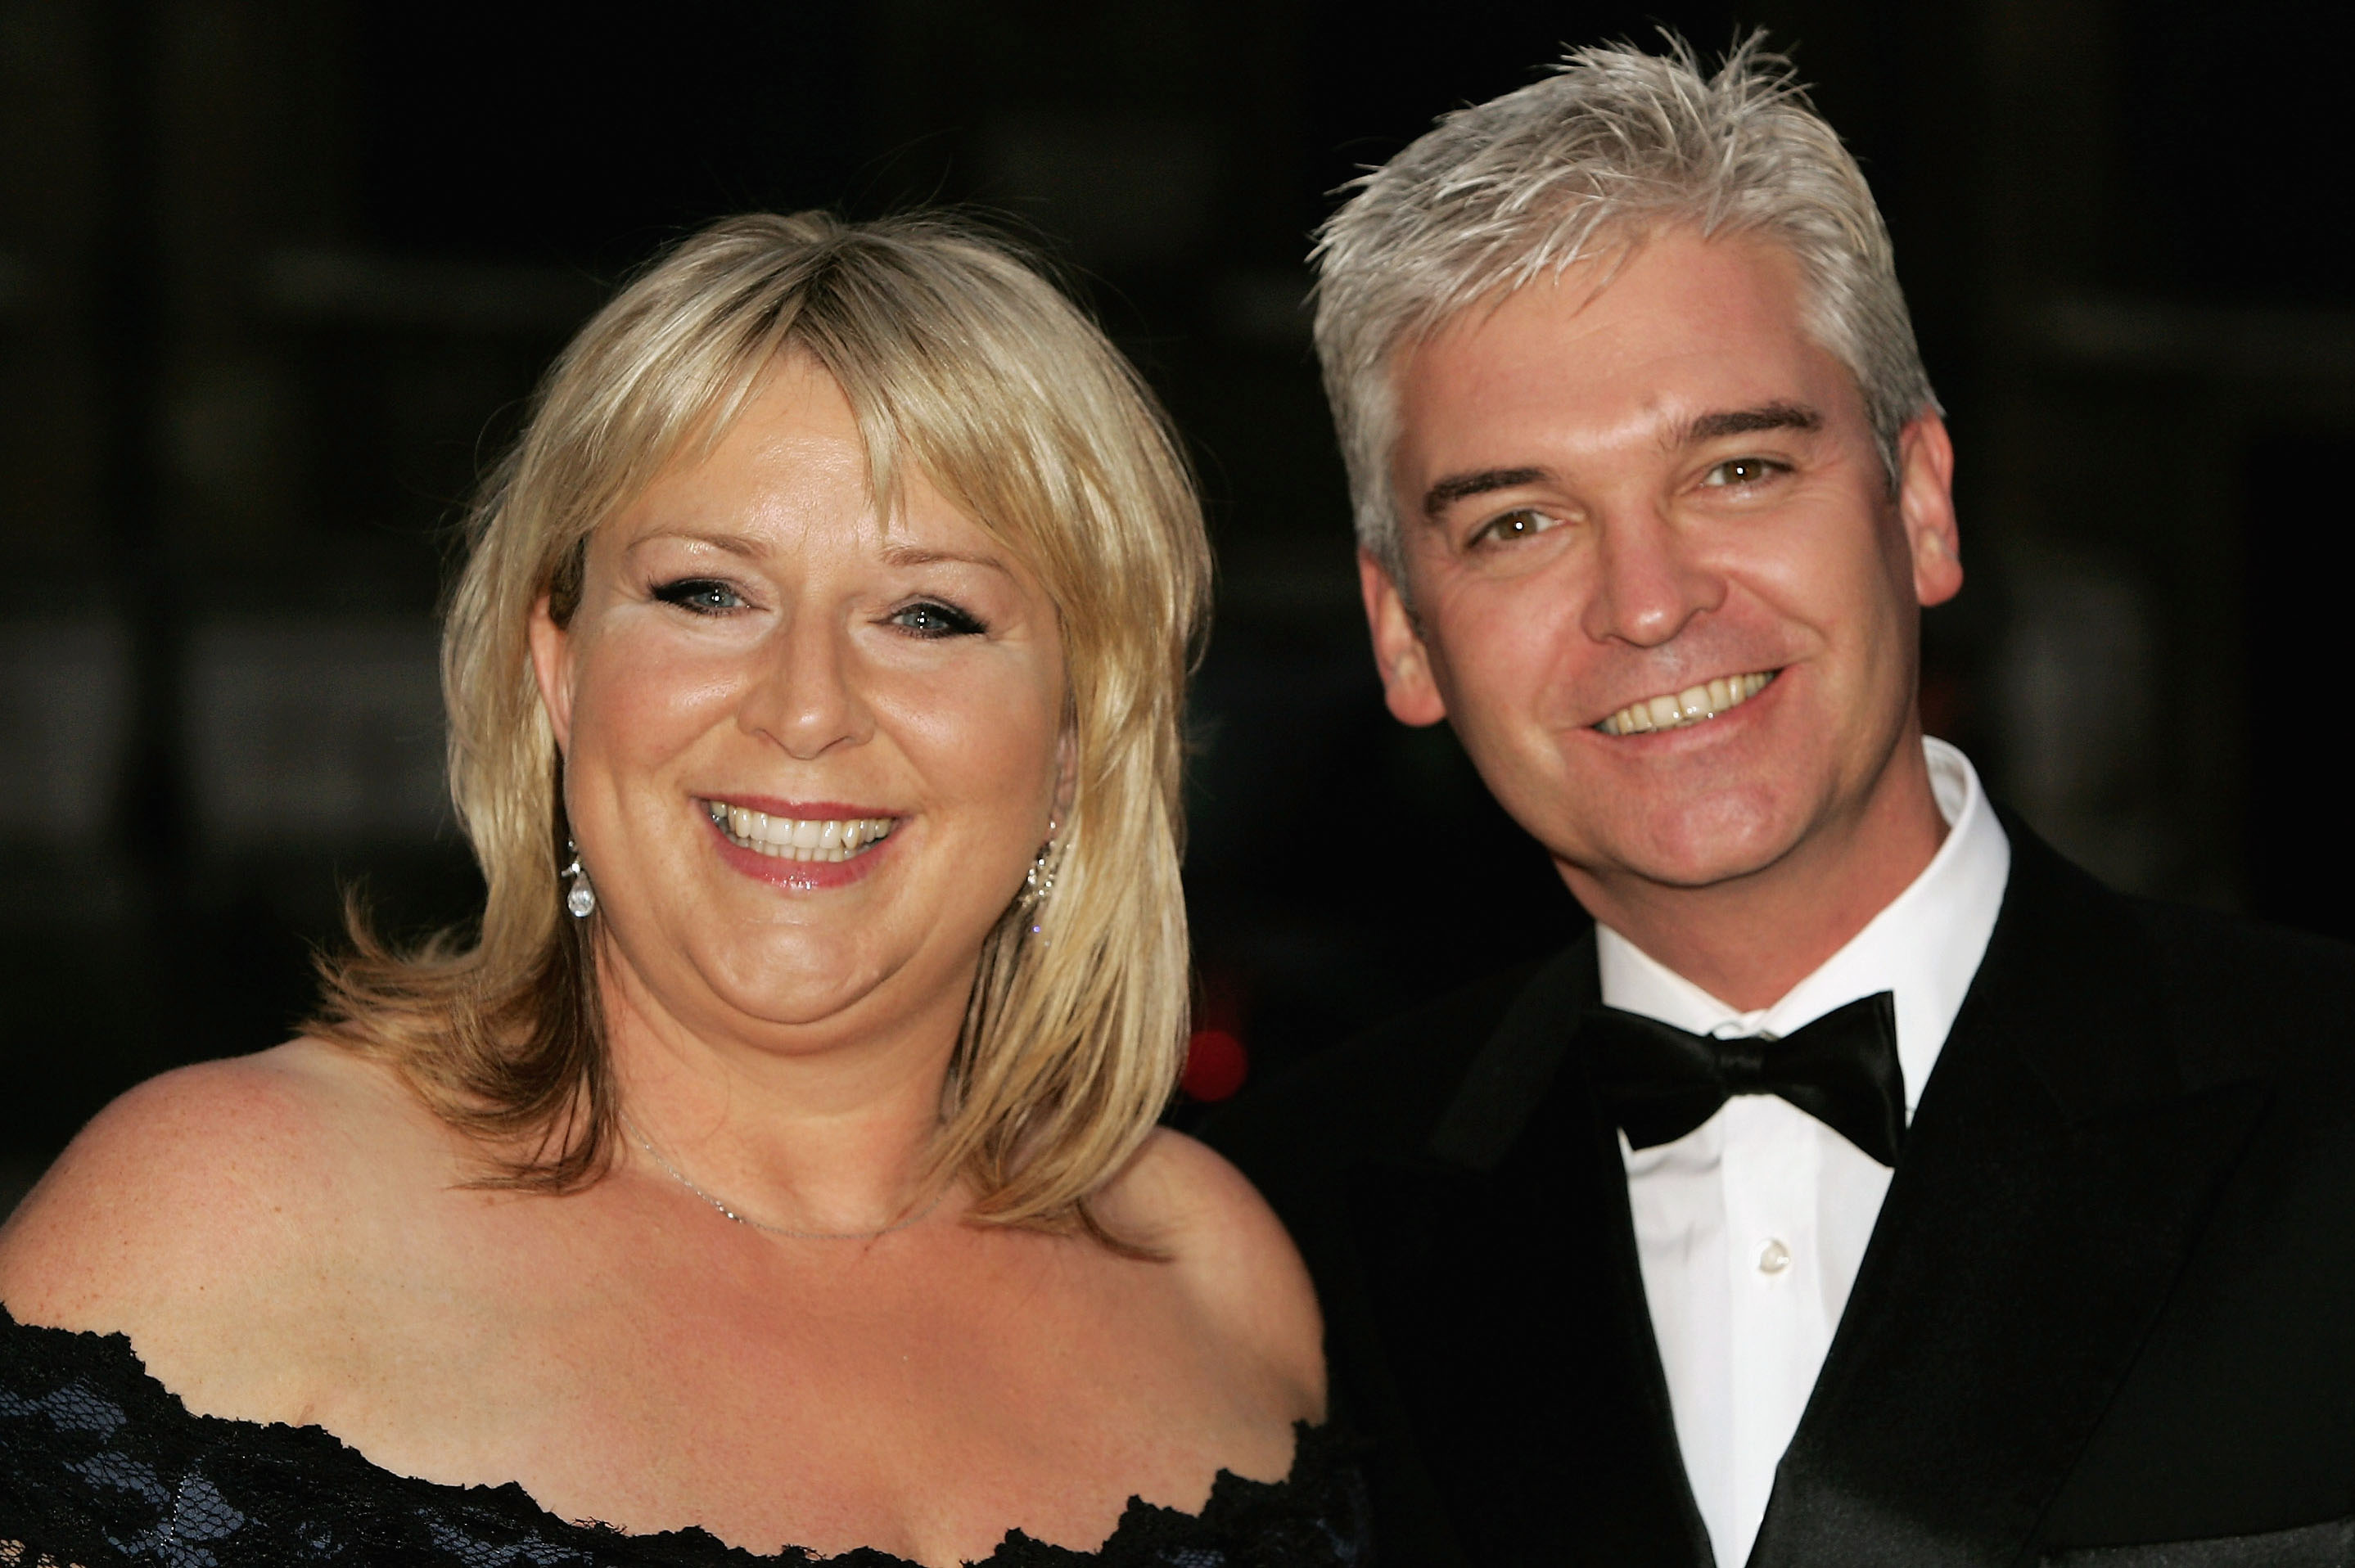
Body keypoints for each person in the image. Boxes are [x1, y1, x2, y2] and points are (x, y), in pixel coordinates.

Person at [1203, 37, 2355, 1568]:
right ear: (1404, 632)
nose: (1648, 602)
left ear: (1919, 505)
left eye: (1737, 469)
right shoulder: (1259, 1245)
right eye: (1519, 522)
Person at [0, 212, 1360, 1566]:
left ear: (1073, 740)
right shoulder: (224, 1220)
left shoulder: (1217, 1282)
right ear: (560, 670)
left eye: (928, 614)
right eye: (709, 593)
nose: (807, 708)